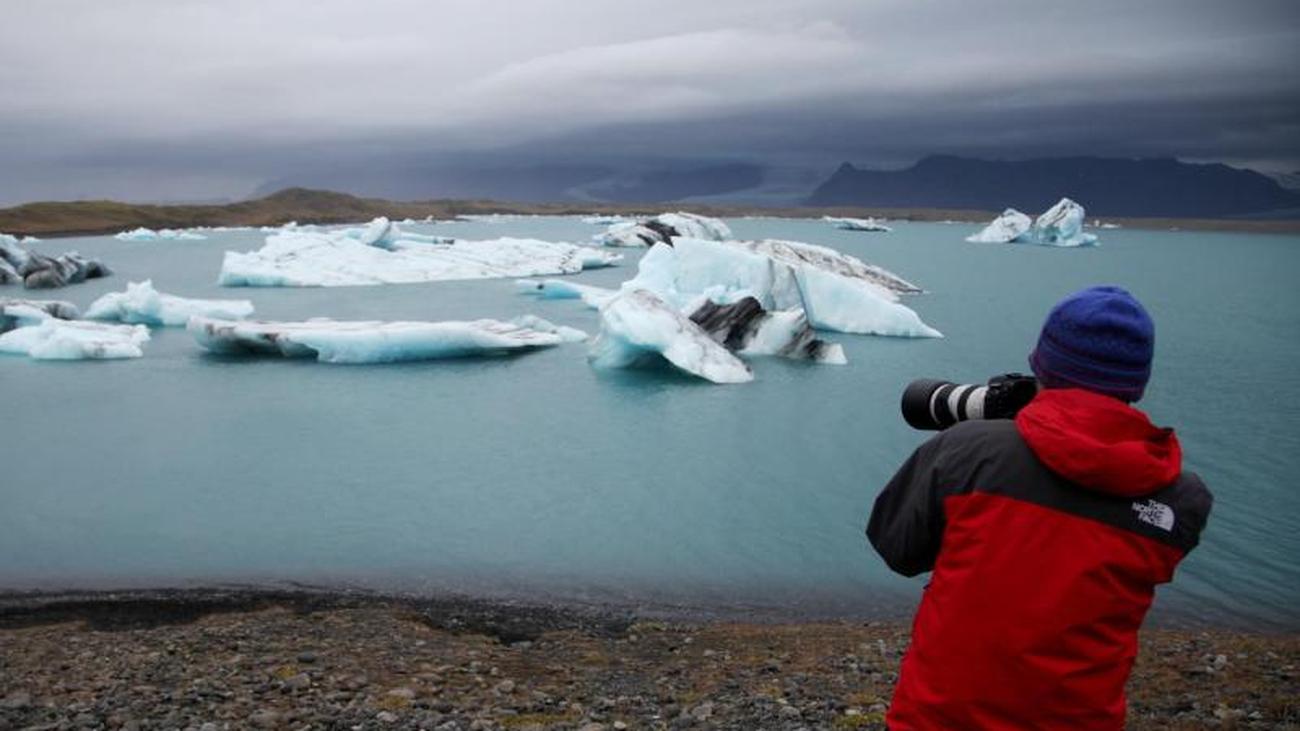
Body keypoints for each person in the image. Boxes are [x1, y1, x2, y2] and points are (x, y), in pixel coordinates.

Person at [867, 285, 1213, 730]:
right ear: (1137, 383)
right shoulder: (1181, 499)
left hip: (939, 717)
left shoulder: (969, 453)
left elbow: (896, 547)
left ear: (1042, 364)